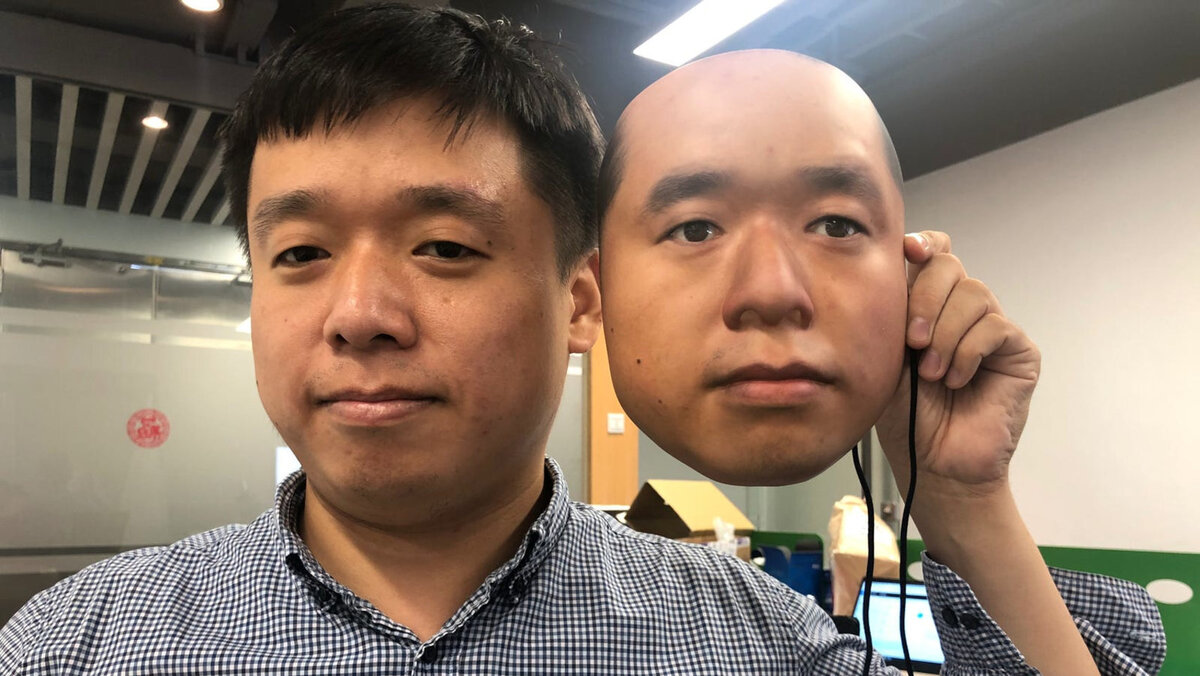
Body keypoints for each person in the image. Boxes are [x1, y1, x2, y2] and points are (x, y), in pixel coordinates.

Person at [0, 4, 1163, 675]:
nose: (358, 314)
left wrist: (963, 497)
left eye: (443, 246)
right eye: (300, 253)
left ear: (580, 301)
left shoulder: (759, 644)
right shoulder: (81, 647)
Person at [597, 48, 1165, 674]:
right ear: (588, 295)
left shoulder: (785, 645)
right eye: (696, 229)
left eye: (836, 225)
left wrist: (961, 497)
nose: (773, 291)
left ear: (908, 274)